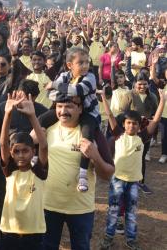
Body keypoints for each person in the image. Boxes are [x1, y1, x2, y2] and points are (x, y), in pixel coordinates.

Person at [43, 92, 114, 250]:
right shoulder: (47, 129)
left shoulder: (92, 133)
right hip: (48, 205)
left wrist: (95, 156)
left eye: (69, 106)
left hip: (80, 208)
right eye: (59, 106)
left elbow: (108, 173)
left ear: (80, 108)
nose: (63, 111)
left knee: (81, 246)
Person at [99, 89, 165, 250]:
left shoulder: (142, 138)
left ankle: (131, 239)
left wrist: (163, 100)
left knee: (131, 212)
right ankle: (108, 237)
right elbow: (110, 116)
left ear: (139, 125)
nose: (131, 125)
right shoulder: (118, 135)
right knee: (114, 210)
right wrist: (103, 97)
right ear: (124, 124)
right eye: (128, 122)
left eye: (135, 123)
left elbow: (155, 121)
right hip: (117, 180)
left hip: (134, 182)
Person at [42, 47, 100, 192]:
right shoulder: (65, 75)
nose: (85, 66)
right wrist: (67, 93)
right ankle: (36, 156)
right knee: (41, 120)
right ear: (69, 65)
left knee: (86, 138)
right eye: (80, 63)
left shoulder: (90, 77)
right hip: (68, 109)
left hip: (88, 114)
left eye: (87, 62)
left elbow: (76, 91)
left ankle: (82, 174)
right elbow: (51, 96)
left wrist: (55, 85)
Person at [0, 92, 48, 249]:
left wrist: (32, 116)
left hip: (34, 233)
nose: (21, 155)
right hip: (9, 231)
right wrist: (7, 114)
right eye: (16, 151)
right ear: (11, 153)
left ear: (33, 152)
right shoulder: (9, 171)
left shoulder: (39, 172)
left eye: (25, 151)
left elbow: (44, 145)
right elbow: (3, 144)